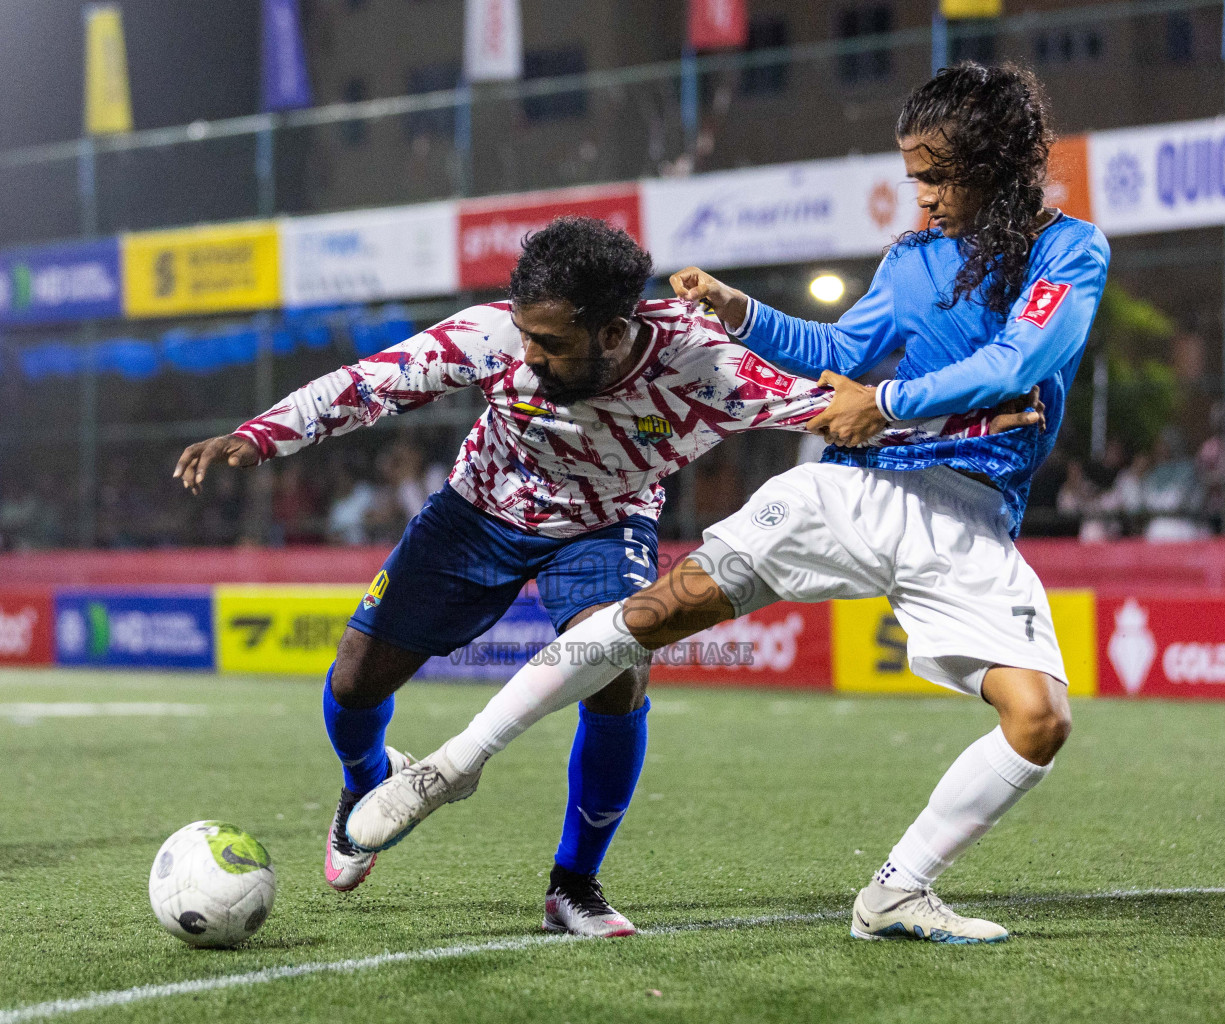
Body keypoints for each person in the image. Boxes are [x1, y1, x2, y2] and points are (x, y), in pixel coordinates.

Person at [346, 62, 1109, 946]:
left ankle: (897, 892)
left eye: (937, 175)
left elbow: (1021, 359)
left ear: (998, 162)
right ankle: (454, 765)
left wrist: (887, 402)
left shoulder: (1069, 250)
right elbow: (839, 347)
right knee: (655, 614)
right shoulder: (912, 259)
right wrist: (740, 311)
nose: (923, 197)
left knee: (1040, 718)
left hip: (970, 520)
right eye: (914, 176)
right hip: (860, 490)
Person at [175, 216, 1041, 938]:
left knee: (621, 677)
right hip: (476, 513)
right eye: (525, 334)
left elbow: (831, 408)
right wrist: (256, 436)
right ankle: (365, 781)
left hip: (607, 522)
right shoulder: (490, 339)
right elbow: (370, 385)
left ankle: (572, 887)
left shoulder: (703, 364)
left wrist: (970, 421)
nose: (530, 356)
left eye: (551, 343)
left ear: (616, 331)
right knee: (354, 681)